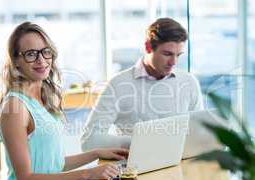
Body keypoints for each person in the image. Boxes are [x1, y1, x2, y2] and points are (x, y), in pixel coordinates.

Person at [0, 22, 128, 180]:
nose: (41, 60)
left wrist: (96, 153)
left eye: (45, 51)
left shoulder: (42, 100)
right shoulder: (14, 108)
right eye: (30, 54)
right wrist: (89, 174)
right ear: (16, 61)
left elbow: (54, 165)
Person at [81, 18, 204, 151]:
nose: (173, 62)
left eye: (178, 55)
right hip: (136, 169)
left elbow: (200, 134)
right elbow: (89, 141)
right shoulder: (118, 85)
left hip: (182, 167)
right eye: (167, 54)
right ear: (148, 47)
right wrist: (141, 142)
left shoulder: (189, 82)